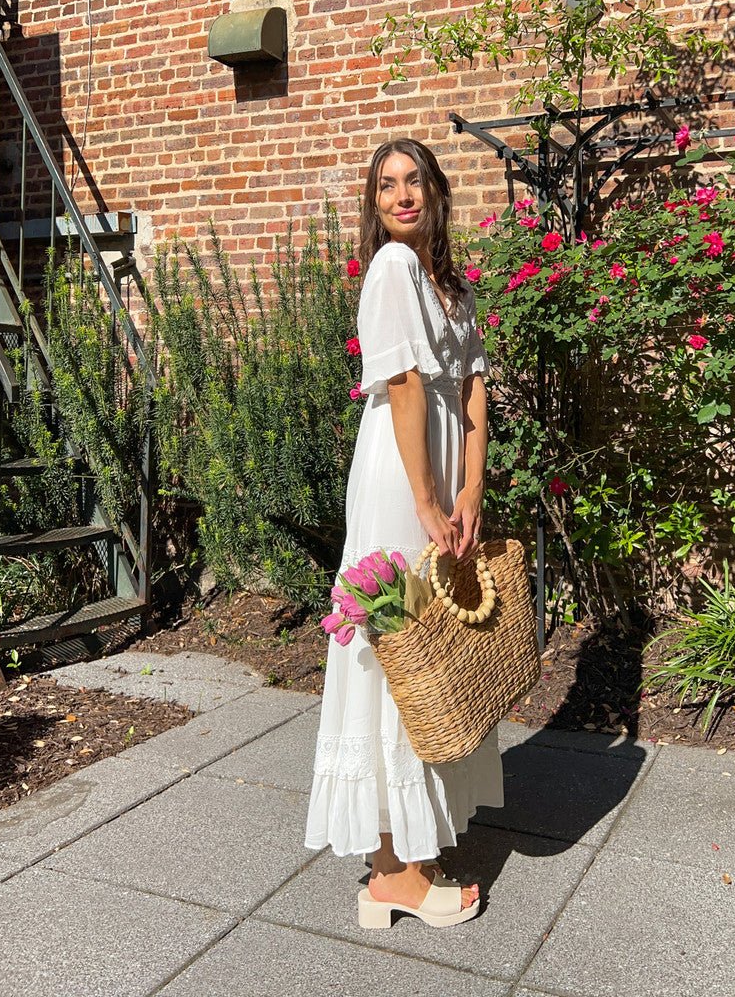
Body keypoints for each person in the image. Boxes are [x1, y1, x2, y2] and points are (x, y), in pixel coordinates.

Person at [304, 138, 504, 929]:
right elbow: (407, 385)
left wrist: (471, 487)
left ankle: (409, 851)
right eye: (386, 185)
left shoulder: (447, 282)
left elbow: (475, 385)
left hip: (442, 475)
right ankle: (393, 873)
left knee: (430, 652)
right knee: (398, 650)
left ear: (434, 190)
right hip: (399, 476)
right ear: (375, 202)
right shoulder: (391, 269)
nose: (401, 195)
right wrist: (427, 500)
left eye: (412, 179)